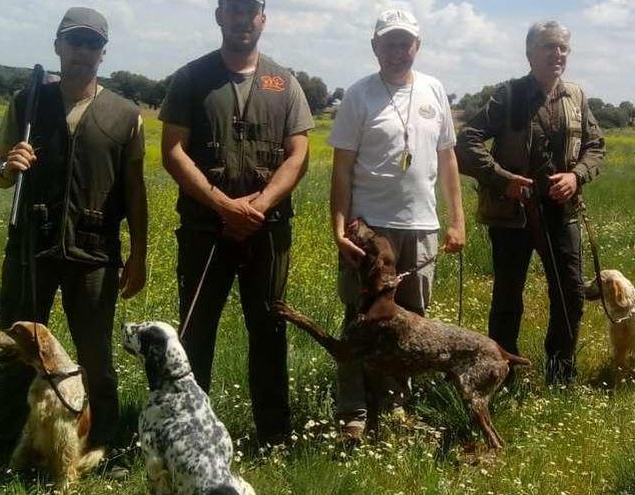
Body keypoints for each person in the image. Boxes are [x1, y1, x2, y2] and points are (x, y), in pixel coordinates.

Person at [0, 7, 147, 460]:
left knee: (95, 356)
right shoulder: (26, 103)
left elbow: (134, 190)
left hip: (94, 251)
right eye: (74, 41)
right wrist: (6, 166)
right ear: (58, 45)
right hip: (31, 245)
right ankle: (0, 444)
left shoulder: (127, 114)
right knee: (17, 350)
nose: (83, 51)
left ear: (103, 53)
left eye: (92, 43)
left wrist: (139, 254)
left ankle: (104, 444)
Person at [159, 0, 314, 446]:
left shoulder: (284, 82)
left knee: (269, 330)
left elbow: (298, 154)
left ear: (262, 19)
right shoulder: (191, 78)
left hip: (267, 231)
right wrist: (223, 205)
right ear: (219, 16)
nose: (243, 19)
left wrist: (259, 205)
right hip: (205, 230)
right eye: (235, 10)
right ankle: (189, 435)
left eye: (251, 12)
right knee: (195, 332)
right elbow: (172, 151)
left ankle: (274, 436)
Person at [329, 8, 465, 441]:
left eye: (405, 43)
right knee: (360, 320)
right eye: (389, 43)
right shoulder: (359, 96)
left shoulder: (434, 91)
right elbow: (341, 168)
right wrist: (338, 229)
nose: (397, 51)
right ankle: (354, 411)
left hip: (422, 226)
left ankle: (396, 410)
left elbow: (447, 159)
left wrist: (456, 220)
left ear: (417, 47)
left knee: (412, 323)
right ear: (374, 47)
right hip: (370, 232)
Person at [455, 21, 605, 385]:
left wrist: (576, 176)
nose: (557, 55)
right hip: (514, 214)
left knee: (570, 294)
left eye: (563, 49)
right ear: (529, 53)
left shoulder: (577, 97)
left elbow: (595, 147)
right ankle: (499, 374)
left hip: (562, 213)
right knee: (508, 295)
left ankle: (560, 373)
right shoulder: (508, 95)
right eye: (549, 47)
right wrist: (503, 180)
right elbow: (467, 142)